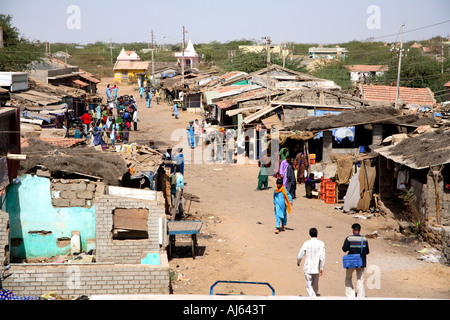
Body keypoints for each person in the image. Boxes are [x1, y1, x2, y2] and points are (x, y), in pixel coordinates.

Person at [342, 223, 370, 298]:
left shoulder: (349, 238)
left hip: (350, 262)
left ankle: (350, 295)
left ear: (353, 230)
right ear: (360, 230)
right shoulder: (364, 239)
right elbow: (367, 251)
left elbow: (344, 249)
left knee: (348, 278)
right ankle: (360, 297)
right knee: (360, 280)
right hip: (361, 263)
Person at [297, 228, 326, 297]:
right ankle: (314, 296)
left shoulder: (306, 243)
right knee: (315, 285)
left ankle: (310, 297)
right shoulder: (321, 244)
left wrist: (298, 261)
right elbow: (323, 257)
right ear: (317, 234)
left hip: (308, 267)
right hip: (316, 268)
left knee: (309, 285)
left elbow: (300, 255)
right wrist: (322, 268)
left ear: (310, 234)